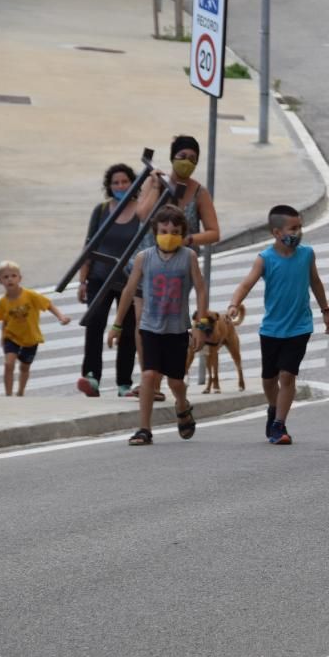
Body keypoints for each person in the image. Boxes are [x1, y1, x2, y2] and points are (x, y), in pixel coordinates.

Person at [227, 205, 329, 445]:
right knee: (269, 378)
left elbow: (316, 283)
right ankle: (273, 407)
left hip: (300, 327)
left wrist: (326, 311)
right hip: (272, 329)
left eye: (300, 227)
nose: (298, 232)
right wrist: (234, 303)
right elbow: (246, 284)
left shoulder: (307, 254)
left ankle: (279, 425)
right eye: (293, 228)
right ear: (276, 232)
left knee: (287, 377)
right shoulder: (265, 259)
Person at [107, 206, 208, 446]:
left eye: (175, 231)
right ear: (155, 232)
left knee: (175, 382)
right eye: (164, 230)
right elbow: (129, 290)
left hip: (176, 329)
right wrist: (117, 325)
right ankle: (144, 428)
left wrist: (199, 325)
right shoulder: (144, 258)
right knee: (149, 375)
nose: (169, 235)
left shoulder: (189, 257)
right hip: (150, 326)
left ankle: (182, 406)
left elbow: (201, 290)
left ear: (183, 233)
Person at [131, 134, 221, 401]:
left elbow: (214, 232)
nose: (186, 163)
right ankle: (149, 378)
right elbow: (142, 214)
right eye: (182, 157)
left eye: (192, 159)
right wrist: (157, 186)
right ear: (172, 157)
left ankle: (163, 377)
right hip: (147, 263)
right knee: (142, 322)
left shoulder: (198, 192)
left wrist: (189, 239)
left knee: (170, 323)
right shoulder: (154, 181)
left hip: (178, 271)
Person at [76, 163, 141, 398]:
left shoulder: (141, 210)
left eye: (125, 182)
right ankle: (91, 377)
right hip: (99, 278)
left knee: (128, 330)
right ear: (109, 186)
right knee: (94, 325)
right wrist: (82, 280)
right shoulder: (101, 210)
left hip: (130, 282)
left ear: (133, 183)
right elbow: (89, 245)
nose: (120, 186)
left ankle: (124, 383)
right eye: (116, 183)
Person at [0, 261, 72, 396]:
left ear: (20, 278)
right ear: (0, 281)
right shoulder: (2, 302)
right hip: (11, 337)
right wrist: (3, 338)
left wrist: (61, 317)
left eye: (13, 276)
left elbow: (48, 304)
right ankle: (8, 396)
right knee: (8, 365)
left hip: (30, 338)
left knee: (24, 367)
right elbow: (5, 321)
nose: (10, 279)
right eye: (5, 277)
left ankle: (20, 392)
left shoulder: (30, 295)